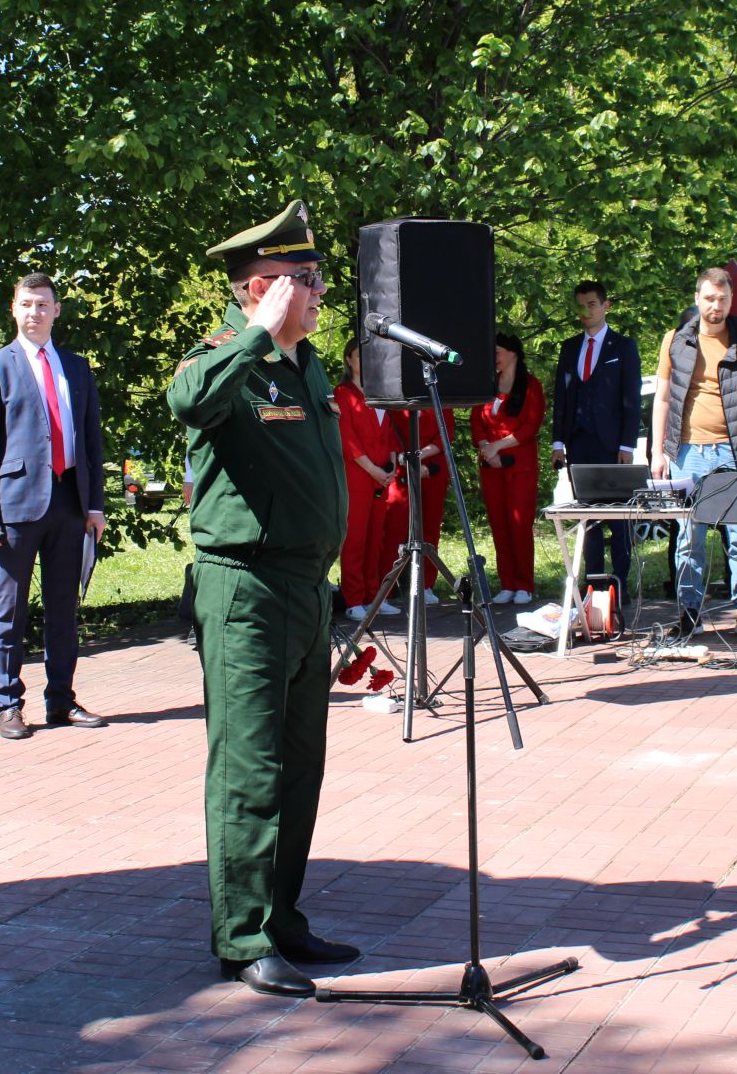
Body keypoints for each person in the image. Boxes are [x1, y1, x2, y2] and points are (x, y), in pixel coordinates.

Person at [167, 200, 356, 998]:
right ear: (259, 290)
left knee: (300, 767)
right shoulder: (223, 357)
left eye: (315, 279)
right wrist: (253, 335)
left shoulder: (305, 364)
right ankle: (241, 938)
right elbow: (187, 402)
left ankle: (281, 918)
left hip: (307, 589)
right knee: (250, 767)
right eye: (303, 280)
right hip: (245, 589)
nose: (319, 293)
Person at [0, 273, 109, 739]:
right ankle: (7, 704)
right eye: (27, 304)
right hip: (15, 508)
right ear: (14, 309)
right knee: (9, 610)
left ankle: (61, 701)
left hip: (70, 502)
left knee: (63, 609)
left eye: (43, 304)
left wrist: (96, 505)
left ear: (56, 310)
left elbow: (91, 440)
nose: (35, 312)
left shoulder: (77, 367)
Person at [649, 268, 737, 638]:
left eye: (723, 299)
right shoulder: (675, 340)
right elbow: (662, 398)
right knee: (688, 537)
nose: (716, 306)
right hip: (686, 452)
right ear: (697, 298)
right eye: (709, 298)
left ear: (731, 300)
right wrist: (656, 451)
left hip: (734, 450)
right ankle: (688, 612)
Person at [551, 280, 642, 589]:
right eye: (581, 305)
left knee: (618, 518)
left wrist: (627, 444)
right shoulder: (569, 347)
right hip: (579, 441)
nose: (586, 311)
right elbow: (562, 397)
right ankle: (593, 584)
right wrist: (558, 442)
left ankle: (620, 583)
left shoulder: (624, 346)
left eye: (592, 304)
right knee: (587, 517)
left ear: (606, 306)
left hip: (612, 443)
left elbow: (631, 397)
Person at [472, 332, 545, 604]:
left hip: (519, 468)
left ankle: (524, 584)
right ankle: (508, 583)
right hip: (491, 467)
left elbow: (530, 426)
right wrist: (485, 447)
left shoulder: (531, 386)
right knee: (499, 524)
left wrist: (497, 447)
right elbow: (476, 421)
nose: (494, 359)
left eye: (498, 352)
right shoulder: (488, 385)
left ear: (513, 353)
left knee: (518, 525)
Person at [335, 338, 402, 619]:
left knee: (377, 539)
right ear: (349, 360)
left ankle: (375, 596)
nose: (365, 360)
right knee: (355, 540)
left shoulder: (381, 392)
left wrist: (391, 466)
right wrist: (373, 469)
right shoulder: (343, 393)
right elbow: (347, 439)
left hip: (381, 476)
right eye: (358, 356)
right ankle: (353, 601)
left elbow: (389, 433)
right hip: (357, 476)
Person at [392, 406, 457, 602]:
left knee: (429, 528)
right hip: (401, 471)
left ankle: (425, 584)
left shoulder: (438, 399)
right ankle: (388, 586)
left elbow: (444, 435)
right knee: (395, 527)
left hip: (432, 471)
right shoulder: (398, 398)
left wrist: (419, 458)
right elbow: (392, 434)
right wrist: (411, 462)